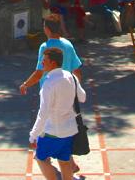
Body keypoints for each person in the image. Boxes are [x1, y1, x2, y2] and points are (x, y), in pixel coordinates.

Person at [28, 47, 86, 180]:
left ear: (53, 63)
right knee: (64, 161)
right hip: (69, 130)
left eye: (44, 60)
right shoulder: (71, 76)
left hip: (51, 132)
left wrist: (33, 135)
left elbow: (43, 113)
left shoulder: (49, 84)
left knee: (40, 158)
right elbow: (83, 98)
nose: (42, 63)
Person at [19, 15, 83, 93]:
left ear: (47, 29)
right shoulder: (68, 44)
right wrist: (76, 89)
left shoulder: (45, 47)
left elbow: (39, 72)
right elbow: (76, 71)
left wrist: (25, 84)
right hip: (67, 91)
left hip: (48, 91)